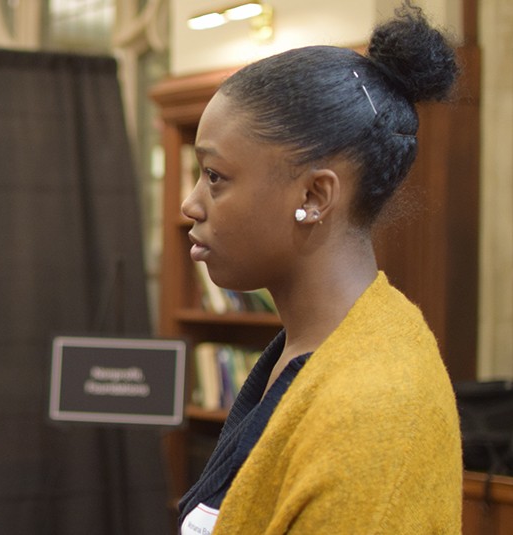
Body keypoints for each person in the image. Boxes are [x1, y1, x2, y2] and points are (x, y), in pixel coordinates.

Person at [176, 3, 462, 534]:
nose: (190, 206)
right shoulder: (303, 354)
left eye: (215, 176)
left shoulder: (374, 412)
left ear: (314, 194)